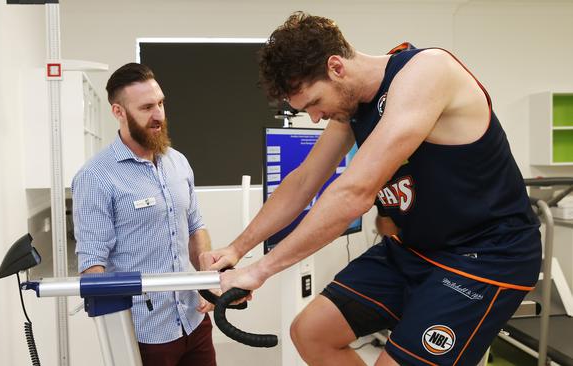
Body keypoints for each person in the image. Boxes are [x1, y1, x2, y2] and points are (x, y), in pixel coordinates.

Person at [201, 12, 541, 366]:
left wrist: (261, 271)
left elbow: (354, 193)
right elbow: (303, 181)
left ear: (336, 67)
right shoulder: (353, 107)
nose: (314, 117)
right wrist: (237, 249)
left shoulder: (427, 73)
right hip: (416, 250)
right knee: (311, 332)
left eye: (314, 103)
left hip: (487, 253)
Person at [72, 63, 216, 366]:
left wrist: (206, 279)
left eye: (161, 103)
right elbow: (92, 264)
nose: (159, 115)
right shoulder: (96, 177)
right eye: (147, 107)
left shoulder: (178, 162)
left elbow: (195, 227)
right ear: (118, 112)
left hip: (194, 318)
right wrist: (115, 333)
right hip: (145, 331)